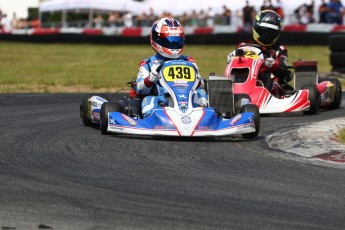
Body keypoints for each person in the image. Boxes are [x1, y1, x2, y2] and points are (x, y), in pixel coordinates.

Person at [136, 17, 207, 118]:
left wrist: (198, 80)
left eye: (176, 41)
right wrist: (149, 80)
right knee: (148, 100)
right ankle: (153, 120)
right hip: (162, 102)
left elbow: (201, 85)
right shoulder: (148, 64)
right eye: (169, 41)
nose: (173, 44)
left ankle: (203, 119)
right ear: (156, 39)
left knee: (202, 93)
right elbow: (140, 89)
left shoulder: (188, 61)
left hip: (187, 100)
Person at [226, 10, 293, 92]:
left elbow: (287, 76)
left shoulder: (279, 49)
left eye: (271, 32)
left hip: (270, 89)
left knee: (265, 79)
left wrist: (273, 66)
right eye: (264, 31)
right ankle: (228, 92)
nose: (267, 35)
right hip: (243, 82)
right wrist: (232, 59)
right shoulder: (243, 45)